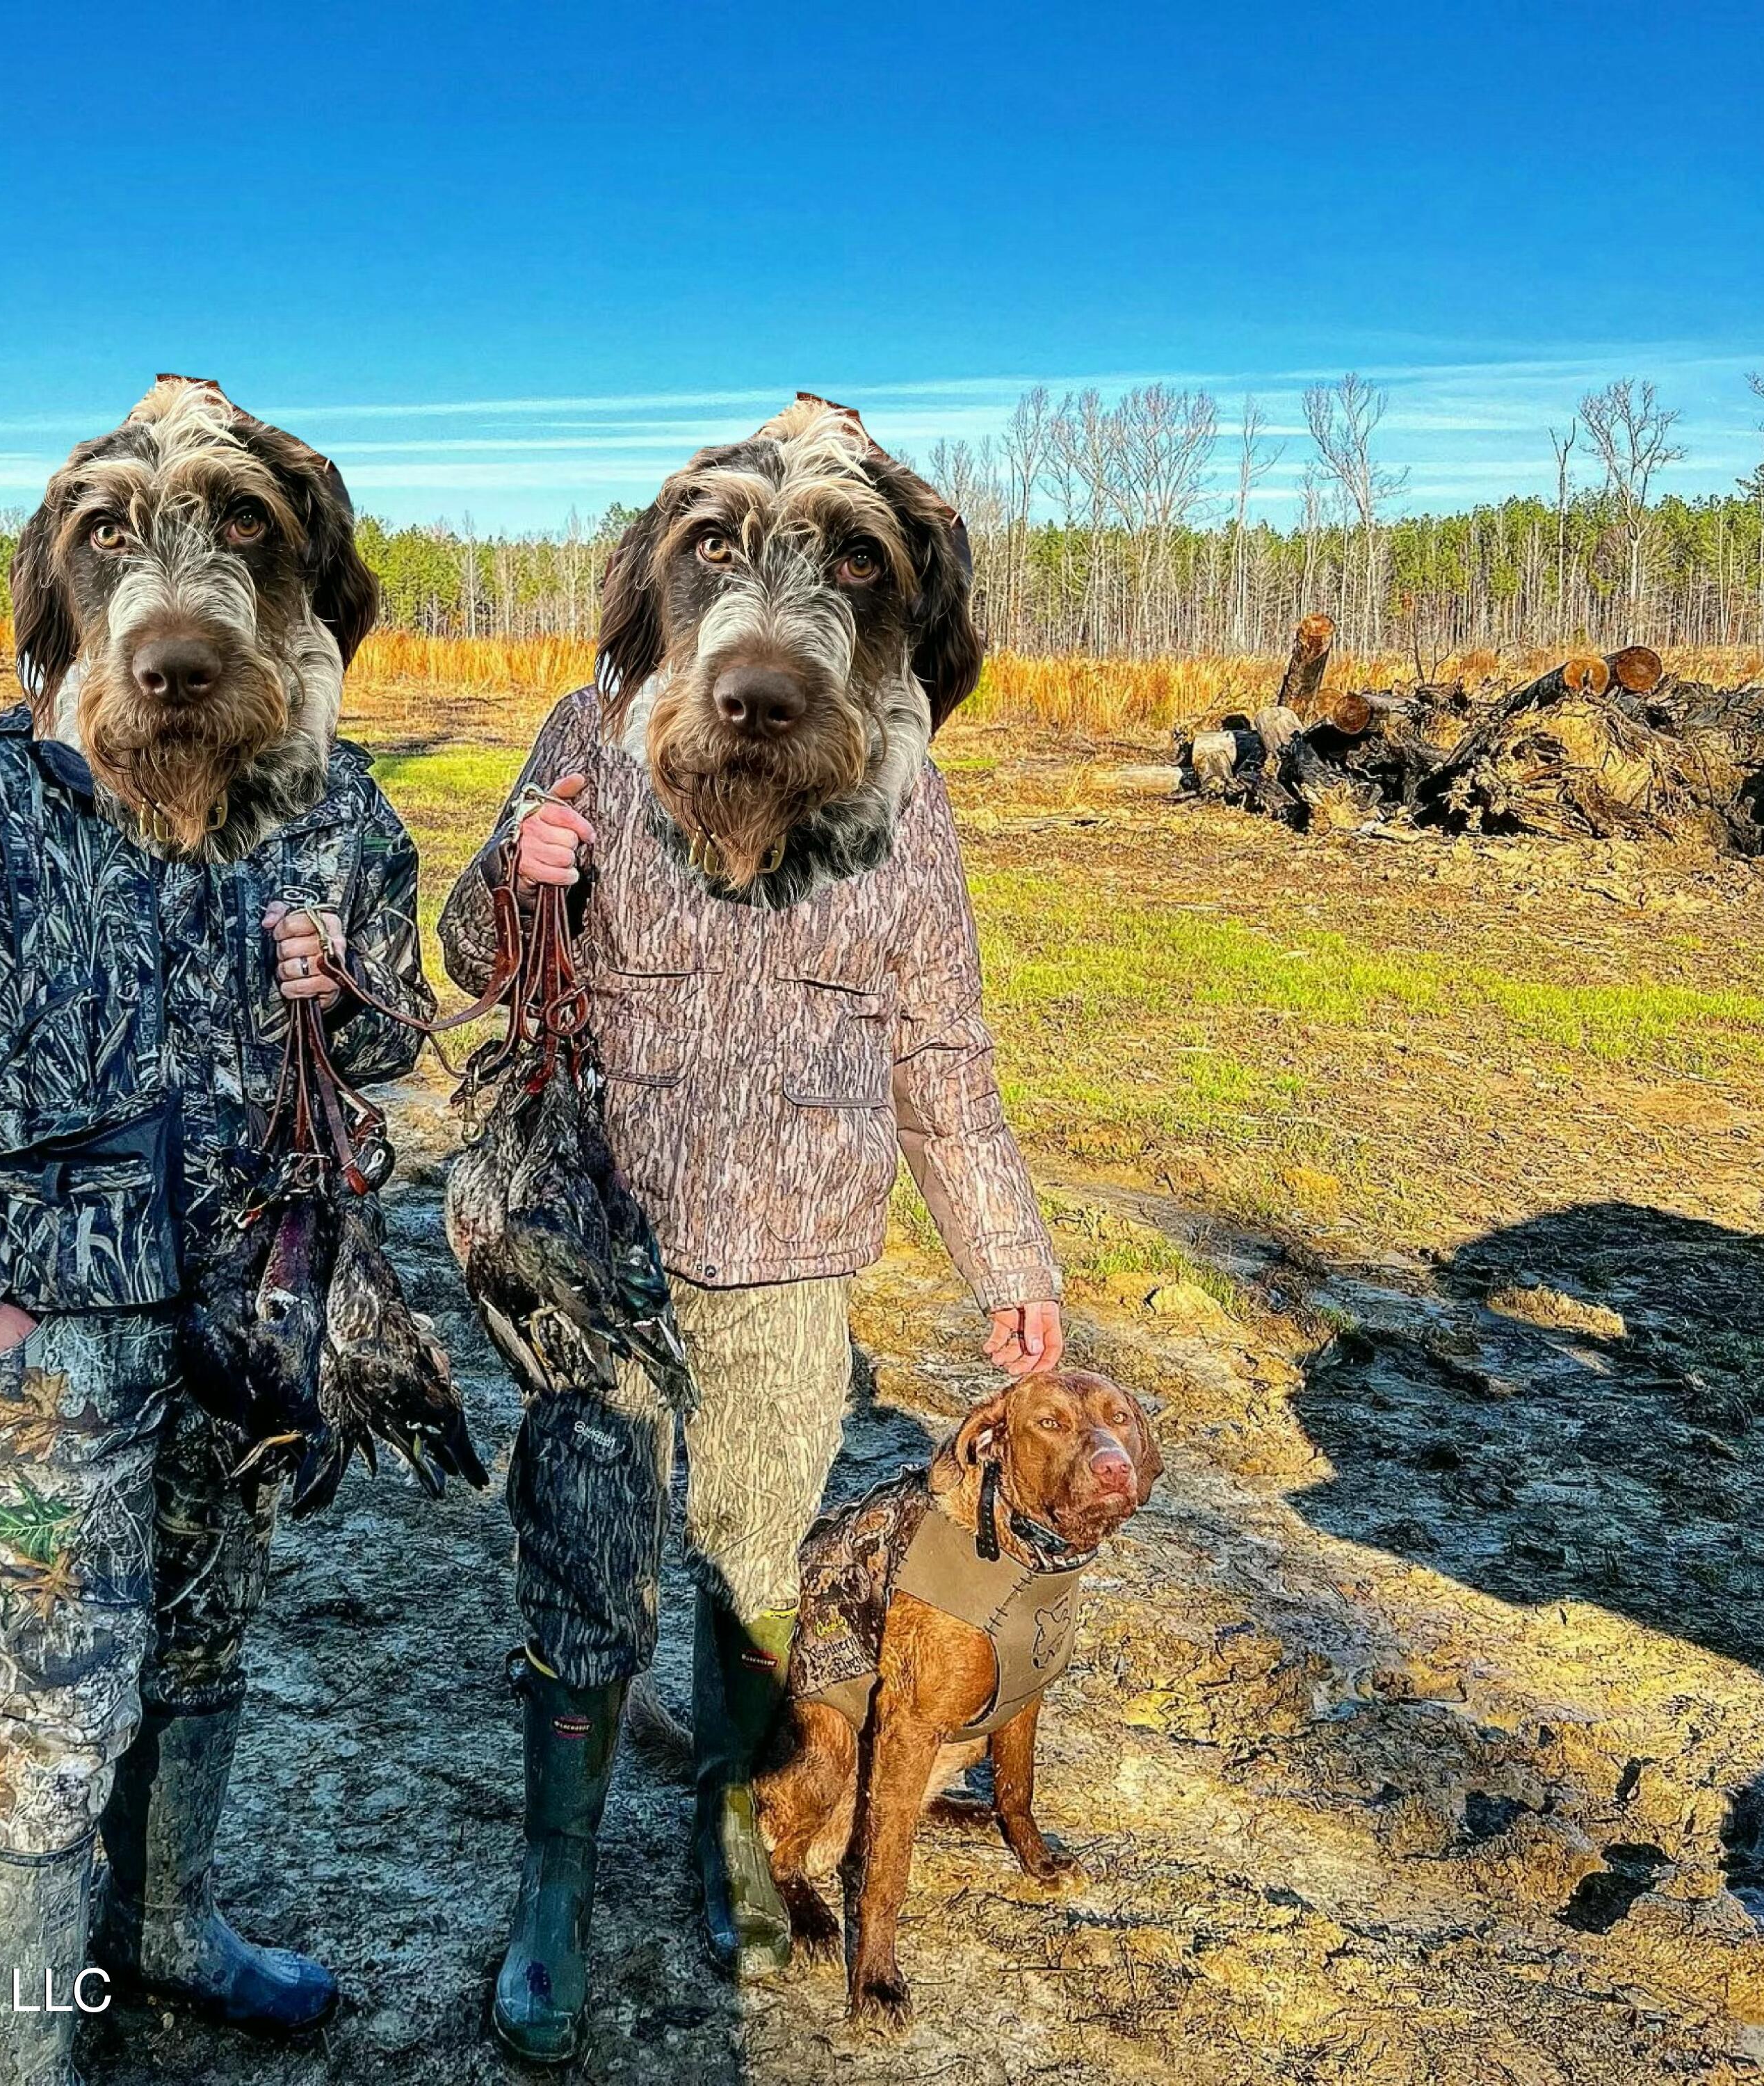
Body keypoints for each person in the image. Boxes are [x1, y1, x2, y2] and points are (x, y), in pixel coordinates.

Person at [439, 396, 1065, 2064]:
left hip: (795, 1268)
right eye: (721, 554)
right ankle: (555, 1891)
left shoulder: (906, 798)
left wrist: (1011, 1264)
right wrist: (519, 875)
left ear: (900, 622)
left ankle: (730, 1843)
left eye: (845, 566)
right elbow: (473, 958)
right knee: (584, 1566)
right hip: (600, 1244)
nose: (766, 636)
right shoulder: (594, 728)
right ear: (663, 594)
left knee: (746, 1570)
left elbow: (943, 1051)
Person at [0, 378, 431, 2085]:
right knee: (57, 1686)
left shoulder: (336, 807)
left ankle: (170, 1934)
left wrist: (346, 996)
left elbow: (391, 1034)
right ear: (67, 604)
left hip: (249, 1312)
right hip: (47, 1331)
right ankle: (21, 2049)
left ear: (306, 598)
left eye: (239, 536)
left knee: (212, 1626)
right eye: (117, 551)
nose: (177, 624)